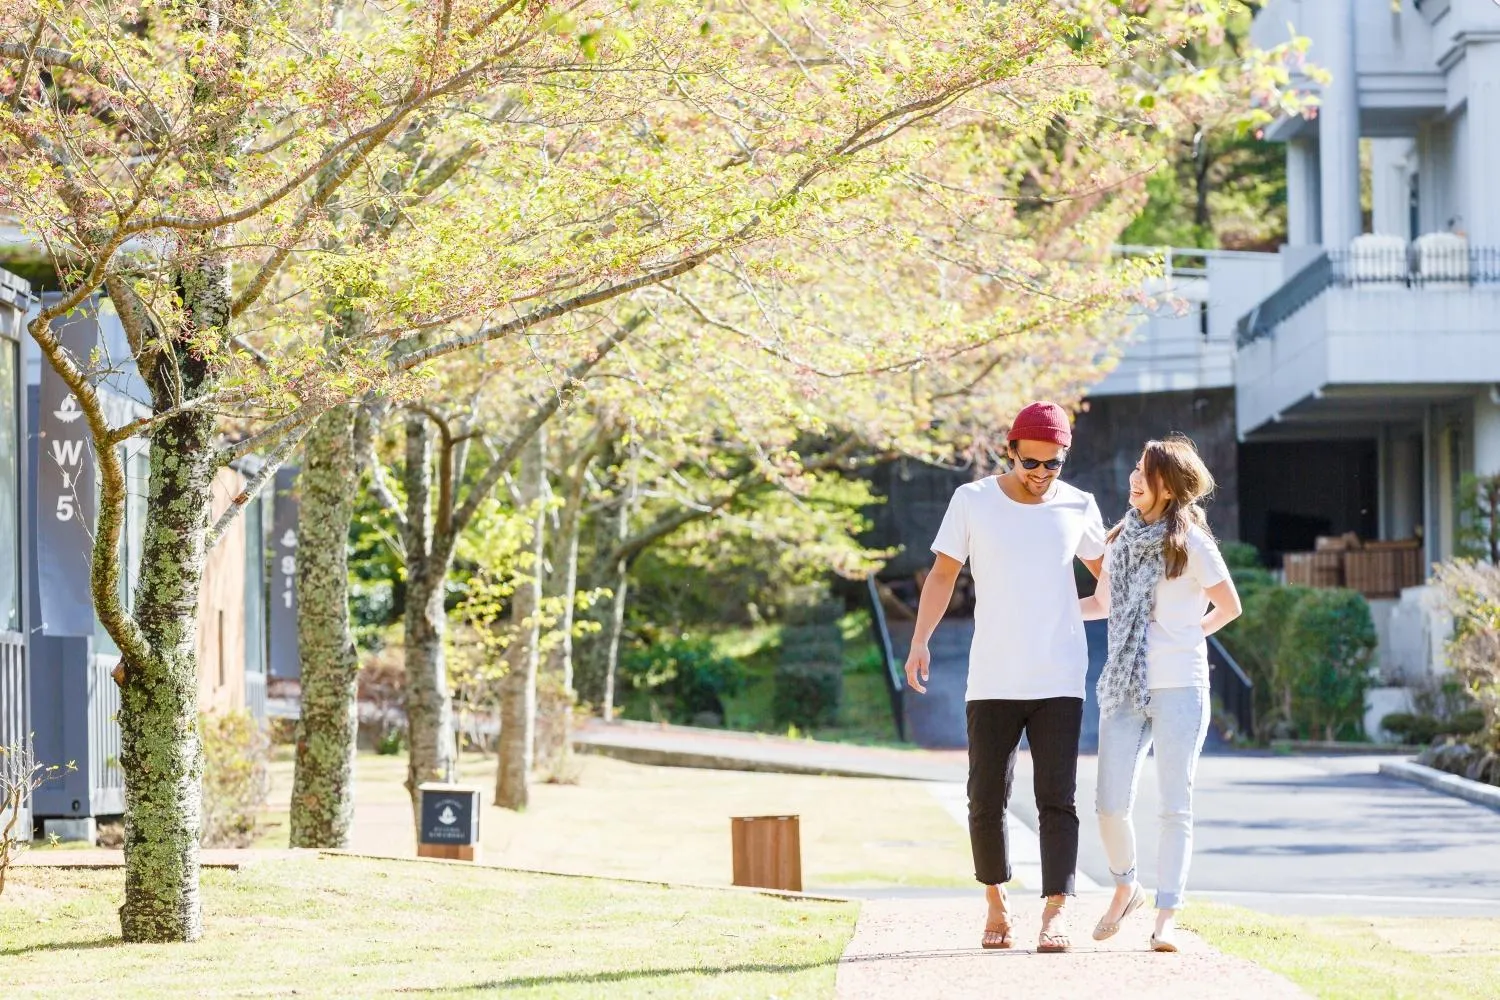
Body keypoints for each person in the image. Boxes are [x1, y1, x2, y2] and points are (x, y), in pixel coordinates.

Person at [904, 401, 1105, 953]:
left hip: (1060, 675)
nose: (1041, 474)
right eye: (1031, 462)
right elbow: (943, 574)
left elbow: (1111, 579)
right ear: (1010, 451)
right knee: (985, 797)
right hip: (992, 676)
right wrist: (920, 640)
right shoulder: (972, 501)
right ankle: (996, 902)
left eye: (1053, 464)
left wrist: (1079, 609)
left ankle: (1055, 913)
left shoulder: (1079, 506)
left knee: (1057, 798)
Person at [1080, 435, 1242, 952]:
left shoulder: (1191, 542)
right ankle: (1127, 886)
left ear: (1167, 487)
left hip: (1180, 686)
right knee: (1109, 804)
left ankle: (1166, 915)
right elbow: (1103, 602)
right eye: (1134, 468)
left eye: (1143, 473)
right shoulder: (1123, 537)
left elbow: (1229, 606)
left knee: (1175, 806)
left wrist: (1189, 635)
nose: (1133, 478)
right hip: (1125, 684)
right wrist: (1047, 611)